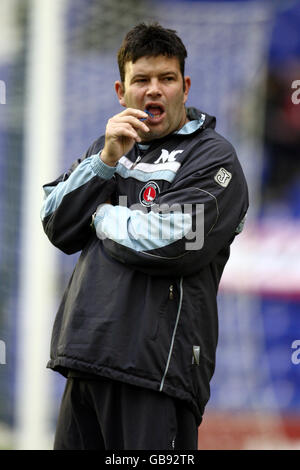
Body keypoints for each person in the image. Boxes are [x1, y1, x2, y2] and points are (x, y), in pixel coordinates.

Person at [41, 22, 248, 450]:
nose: (154, 90)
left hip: (156, 374)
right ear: (122, 91)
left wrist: (100, 217)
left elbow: (180, 240)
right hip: (85, 360)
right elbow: (57, 221)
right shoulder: (109, 148)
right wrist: (104, 160)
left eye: (166, 79)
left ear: (185, 86)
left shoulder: (214, 156)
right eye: (142, 80)